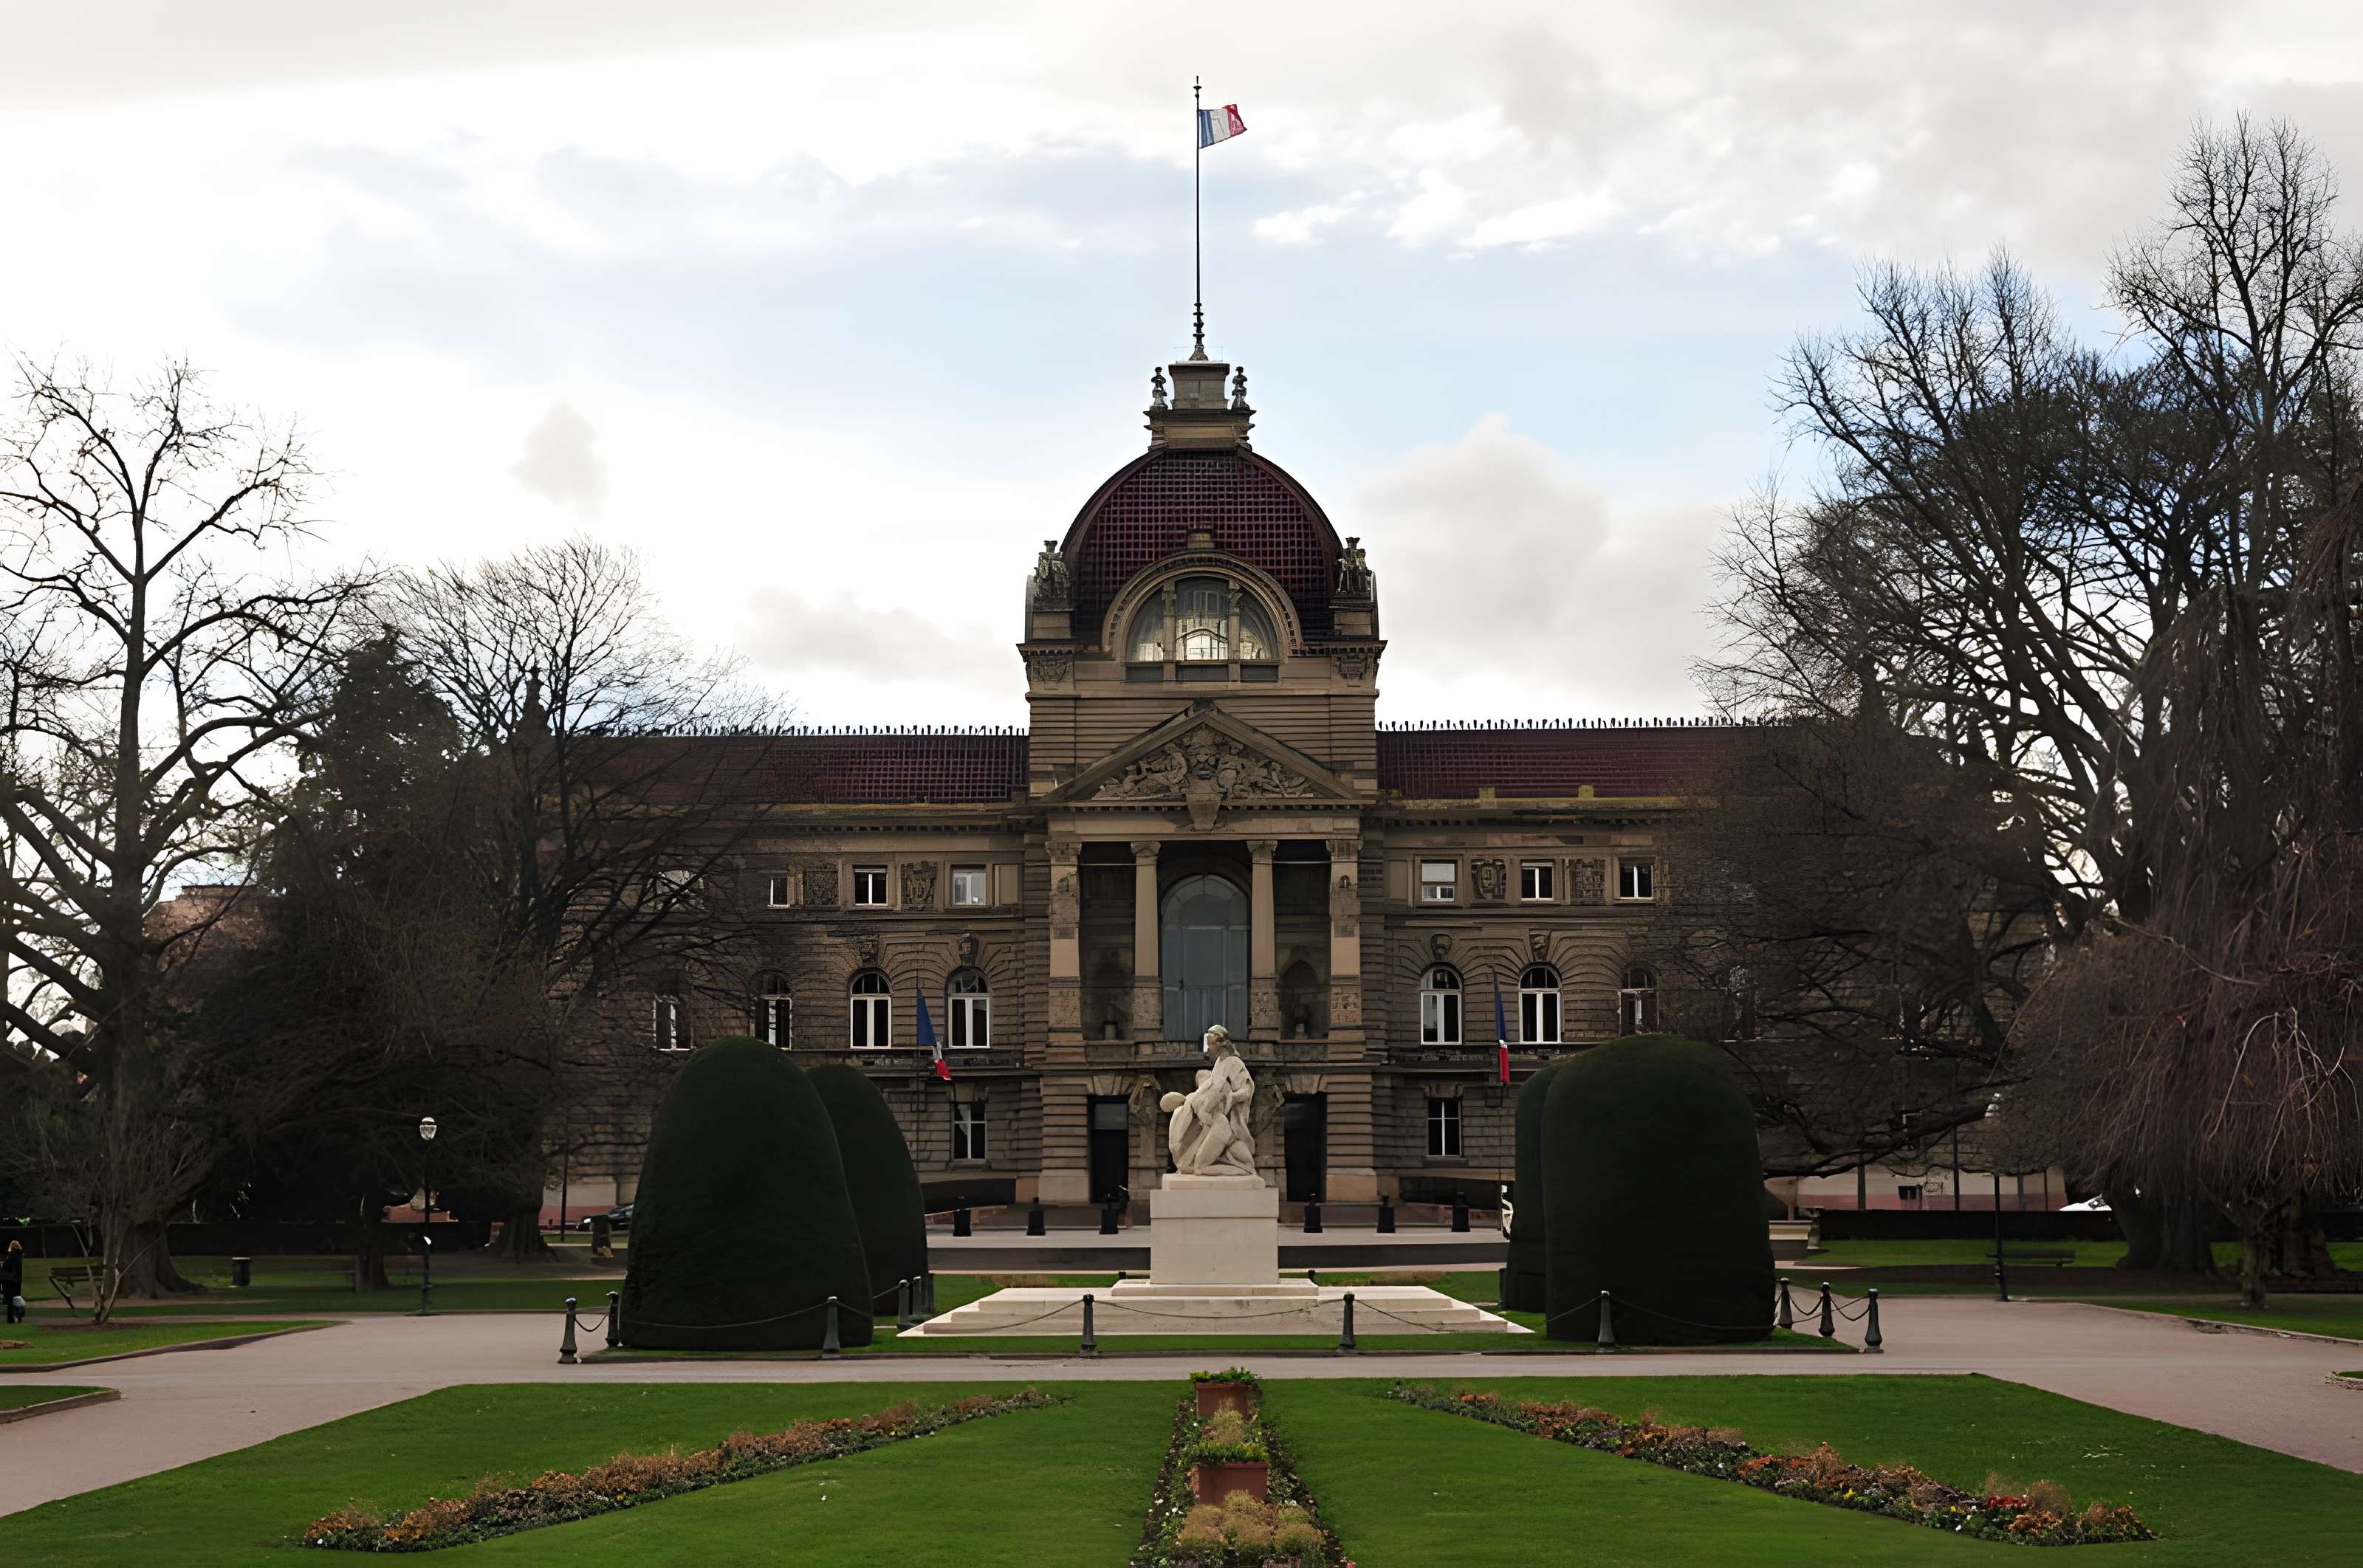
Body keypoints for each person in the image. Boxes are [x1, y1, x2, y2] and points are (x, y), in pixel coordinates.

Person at [2, 1239, 24, 1324]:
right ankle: (19, 1316)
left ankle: (11, 1318)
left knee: (11, 1300)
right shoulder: (21, 1255)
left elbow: (6, 1265)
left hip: (11, 1279)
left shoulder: (11, 1255)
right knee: (18, 1297)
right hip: (18, 1279)